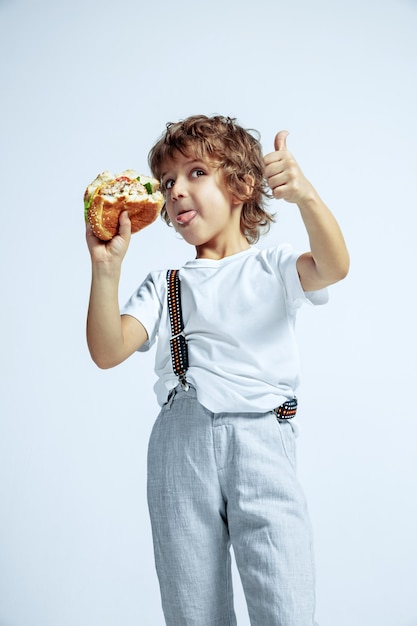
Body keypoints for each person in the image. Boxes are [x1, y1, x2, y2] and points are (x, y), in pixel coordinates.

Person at [86, 115, 349, 626]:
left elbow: (334, 267)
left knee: (286, 604)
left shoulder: (273, 266)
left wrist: (306, 197)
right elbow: (107, 350)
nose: (175, 192)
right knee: (193, 609)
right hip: (180, 445)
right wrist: (106, 270)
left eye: (195, 173)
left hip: (262, 439)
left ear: (243, 185)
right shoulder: (165, 284)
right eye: (166, 183)